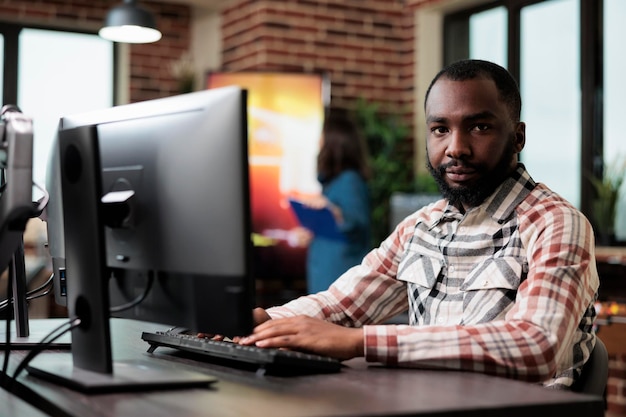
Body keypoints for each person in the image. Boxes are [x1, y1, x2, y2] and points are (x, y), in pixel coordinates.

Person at [238, 59, 599, 389]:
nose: (456, 147)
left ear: (517, 137)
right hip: (427, 405)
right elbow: (340, 306)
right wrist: (262, 320)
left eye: (479, 127)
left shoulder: (556, 223)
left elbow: (536, 345)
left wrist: (360, 342)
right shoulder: (420, 226)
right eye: (440, 129)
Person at [291, 115, 372, 294]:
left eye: (322, 135)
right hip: (326, 276)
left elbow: (356, 223)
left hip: (339, 281)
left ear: (334, 142)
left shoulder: (350, 180)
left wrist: (332, 210)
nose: (318, 142)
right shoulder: (334, 183)